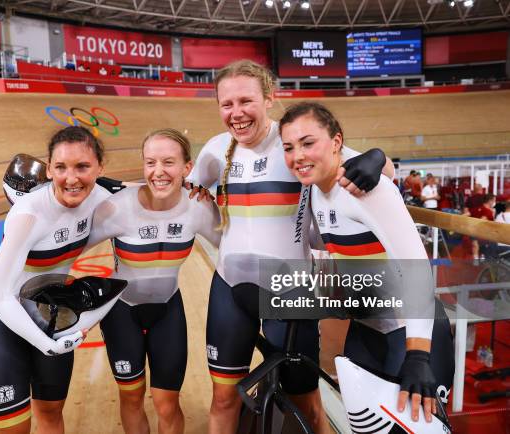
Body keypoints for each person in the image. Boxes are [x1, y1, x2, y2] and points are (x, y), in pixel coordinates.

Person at [187, 59, 395, 434]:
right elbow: (186, 188)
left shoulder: (294, 144)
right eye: (226, 104)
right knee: (223, 398)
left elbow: (383, 171)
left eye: (246, 101)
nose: (236, 113)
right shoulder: (216, 150)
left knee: (304, 397)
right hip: (229, 287)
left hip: (290, 286)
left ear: (270, 98)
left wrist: (378, 158)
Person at [279, 101, 455, 424]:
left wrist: (418, 354)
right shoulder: (314, 188)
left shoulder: (367, 188)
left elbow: (417, 267)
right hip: (366, 332)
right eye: (289, 147)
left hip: (411, 335)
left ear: (336, 143)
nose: (297, 155)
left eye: (307, 143)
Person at [0, 126, 113, 434]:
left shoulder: (99, 197)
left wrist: (191, 185)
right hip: (6, 318)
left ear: (99, 168)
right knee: (14, 427)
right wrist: (47, 345)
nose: (71, 177)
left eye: (82, 166)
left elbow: (140, 191)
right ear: (49, 169)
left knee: (51, 413)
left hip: (51, 313)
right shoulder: (28, 214)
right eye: (61, 167)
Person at [88, 129, 221, 434]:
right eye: (150, 163)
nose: (158, 171)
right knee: (132, 396)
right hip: (121, 311)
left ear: (188, 168)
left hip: (167, 311)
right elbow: (69, 249)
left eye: (169, 162)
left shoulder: (198, 207)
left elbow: (231, 245)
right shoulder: (117, 207)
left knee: (167, 403)